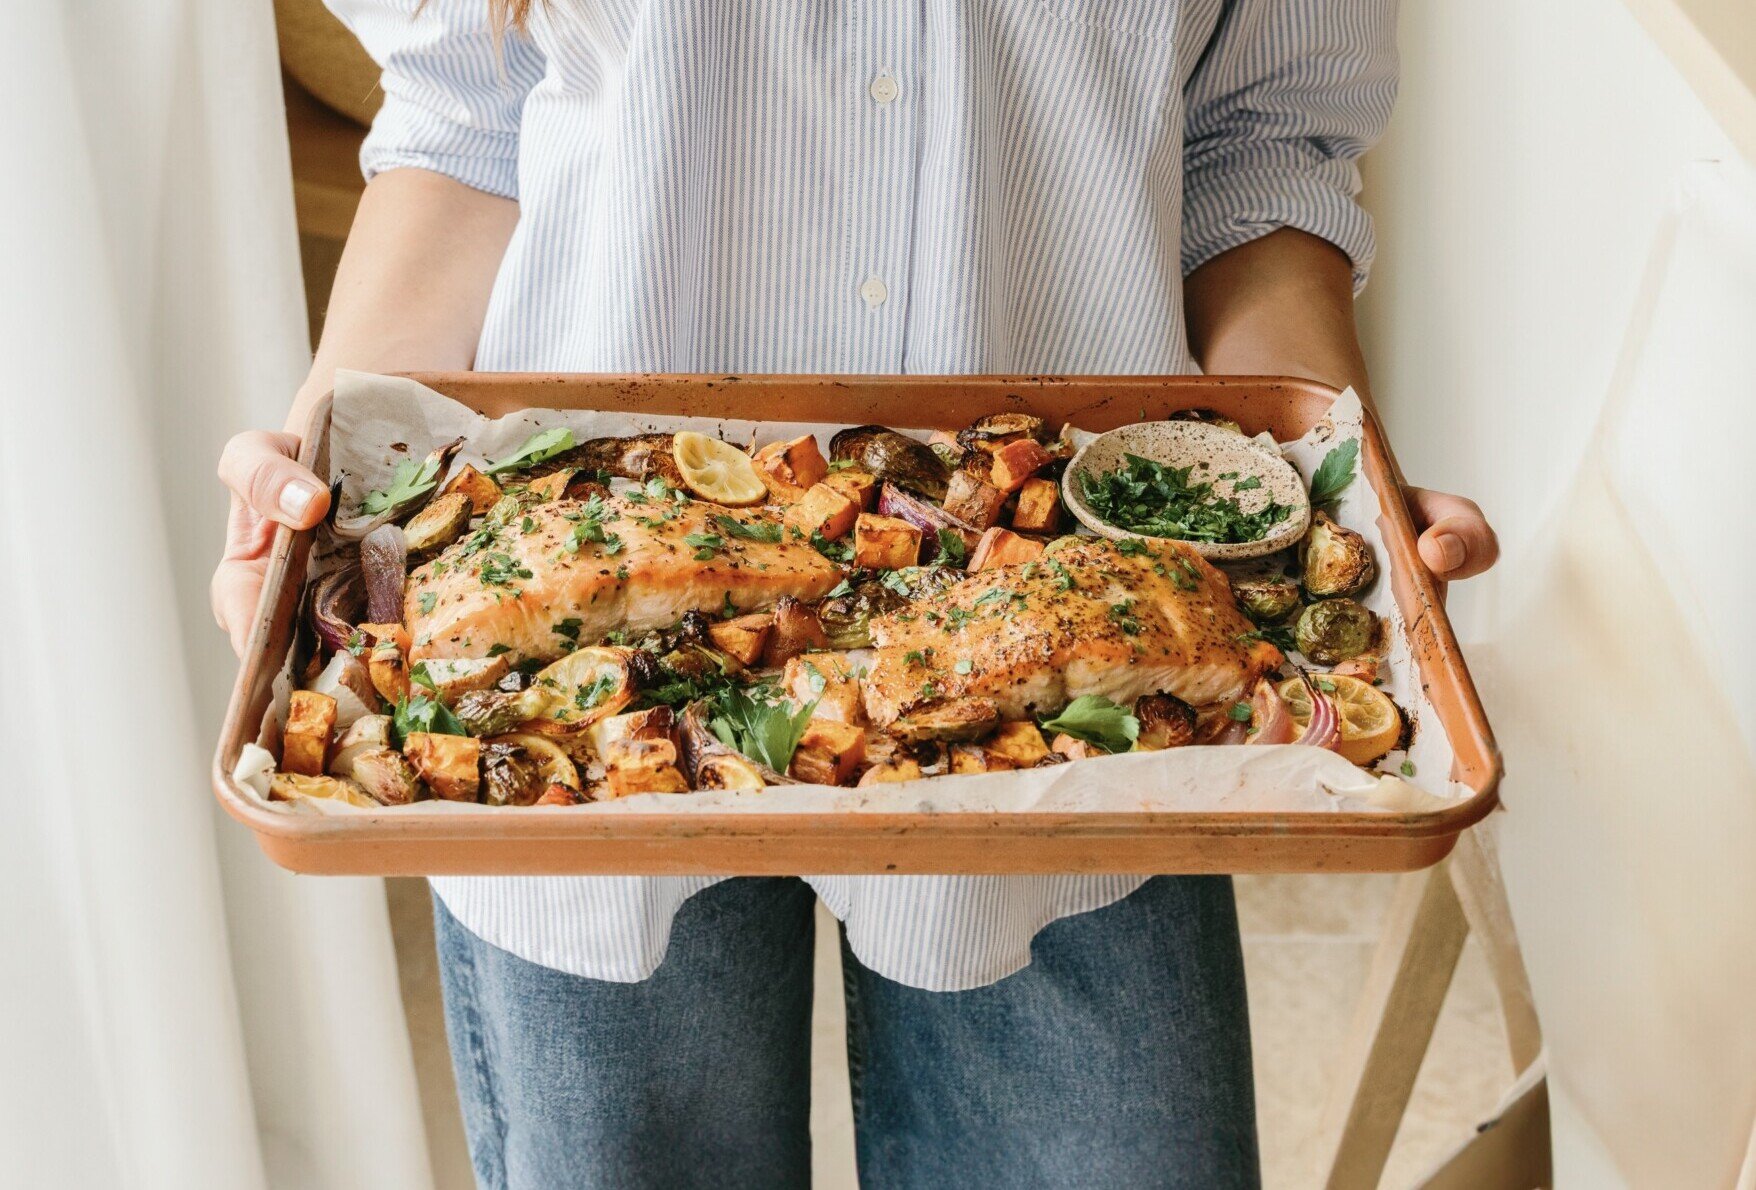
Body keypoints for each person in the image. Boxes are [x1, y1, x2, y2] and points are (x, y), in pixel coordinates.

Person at [214, 2, 1499, 1186]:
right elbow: (468, 118)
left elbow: (1260, 149)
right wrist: (323, 487)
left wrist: (1311, 486)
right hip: (555, 610)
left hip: (1091, 604)